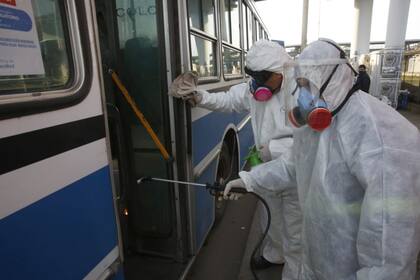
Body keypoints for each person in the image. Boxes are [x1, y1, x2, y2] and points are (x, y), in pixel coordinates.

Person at [224, 39, 420, 279]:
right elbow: (293, 165)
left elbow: (389, 261)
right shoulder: (323, 120)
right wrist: (249, 181)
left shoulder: (383, 140)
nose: (302, 97)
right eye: (301, 86)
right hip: (315, 257)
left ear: (332, 81)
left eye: (309, 86)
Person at [169, 40, 302, 279]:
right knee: (269, 216)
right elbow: (228, 100)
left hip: (293, 175)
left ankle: (294, 271)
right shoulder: (256, 90)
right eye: (255, 78)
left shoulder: (301, 93)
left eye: (263, 78)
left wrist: (251, 178)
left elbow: (301, 152)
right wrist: (198, 96)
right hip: (266, 168)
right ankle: (274, 255)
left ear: (282, 71)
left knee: (295, 226)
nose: (257, 84)